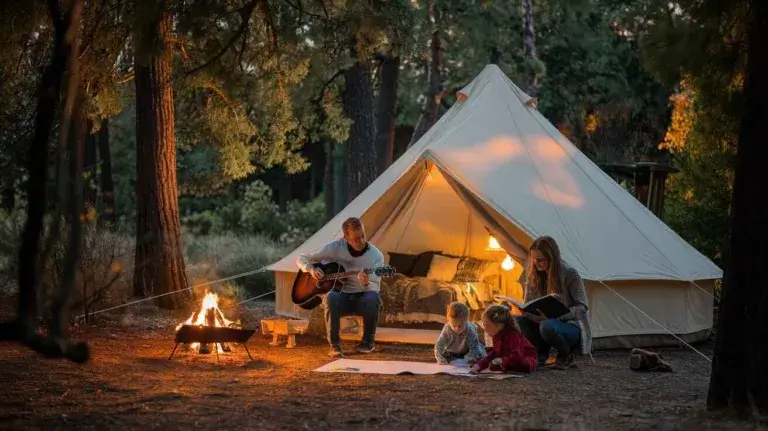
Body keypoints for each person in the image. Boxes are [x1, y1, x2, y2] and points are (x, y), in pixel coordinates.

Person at [296, 217, 384, 357]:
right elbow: (301, 258)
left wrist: (366, 282)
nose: (361, 241)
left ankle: (367, 343)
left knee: (374, 297)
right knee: (331, 297)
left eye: (363, 236)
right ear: (345, 238)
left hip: (362, 298)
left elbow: (374, 287)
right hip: (341, 297)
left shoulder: (376, 256)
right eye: (355, 239)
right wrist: (311, 269)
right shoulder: (335, 248)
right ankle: (335, 346)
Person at [516, 235, 592, 370]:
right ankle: (540, 355)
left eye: (541, 260)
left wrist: (558, 317)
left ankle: (566, 355)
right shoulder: (533, 274)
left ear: (552, 258)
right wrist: (528, 314)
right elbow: (528, 303)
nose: (537, 263)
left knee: (547, 325)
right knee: (517, 320)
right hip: (542, 321)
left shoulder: (569, 273)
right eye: (534, 260)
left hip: (570, 326)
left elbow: (582, 307)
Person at [470, 304, 537, 374]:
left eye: (487, 326)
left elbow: (518, 356)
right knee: (488, 358)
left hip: (525, 359)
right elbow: (494, 353)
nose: (485, 330)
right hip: (508, 359)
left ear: (498, 325)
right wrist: (479, 365)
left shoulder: (513, 335)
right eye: (484, 325)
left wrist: (502, 360)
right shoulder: (496, 335)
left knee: (523, 363)